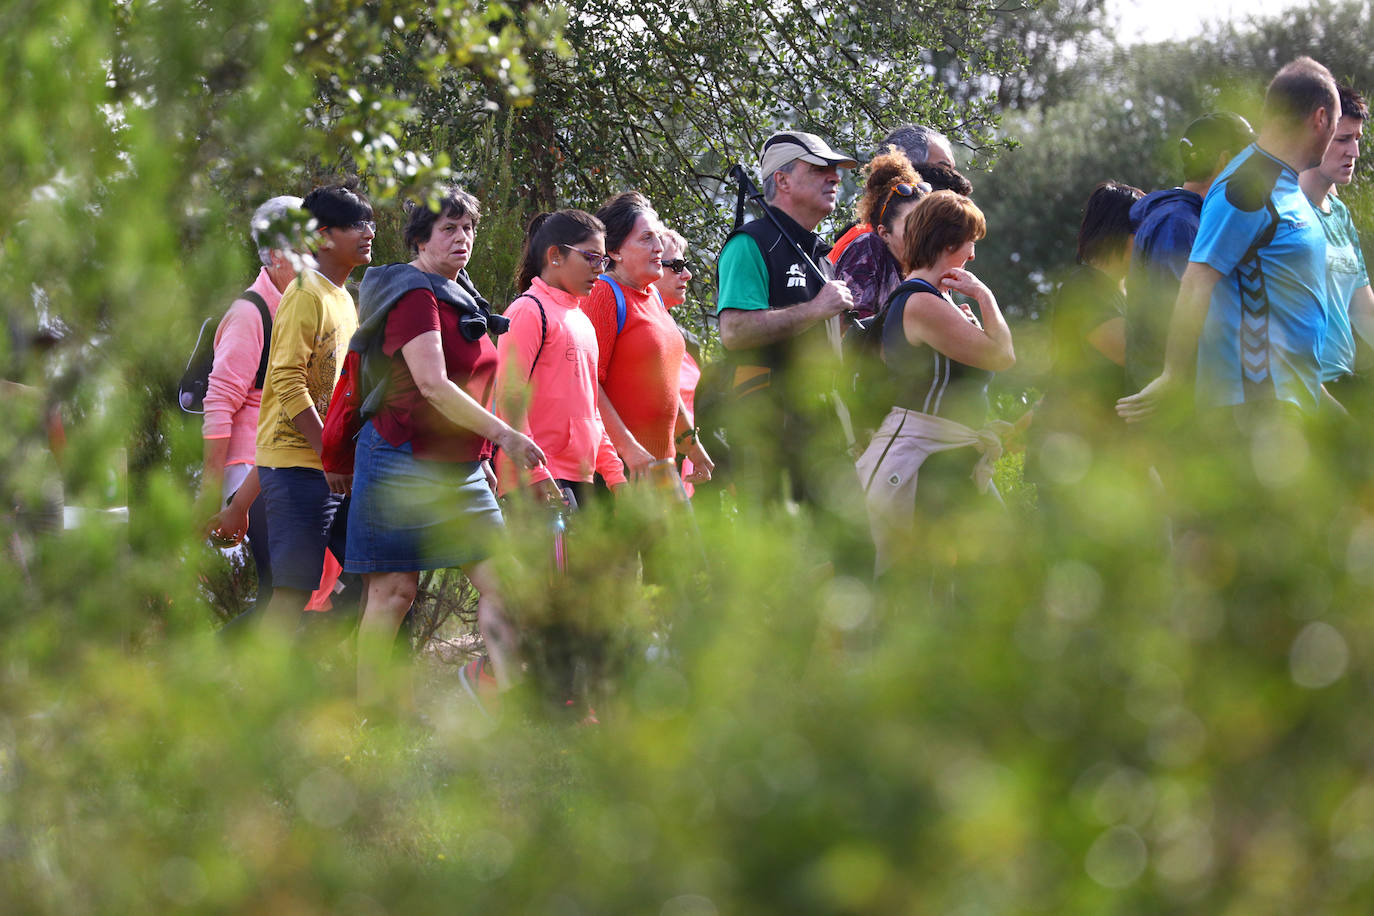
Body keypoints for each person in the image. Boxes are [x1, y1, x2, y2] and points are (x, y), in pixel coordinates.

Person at [345, 186, 545, 706]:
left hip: (460, 469)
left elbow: (475, 383)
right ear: (419, 239)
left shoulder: (464, 297)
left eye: (469, 228)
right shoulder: (414, 295)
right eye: (449, 229)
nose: (463, 238)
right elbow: (433, 384)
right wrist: (503, 435)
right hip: (399, 459)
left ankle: (508, 699)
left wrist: (483, 455)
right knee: (393, 594)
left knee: (506, 583)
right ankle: (369, 720)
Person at [1118, 57, 1340, 423]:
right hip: (1254, 405)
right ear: (1320, 118)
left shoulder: (1283, 184)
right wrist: (1172, 374)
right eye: (1335, 125)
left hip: (1290, 401)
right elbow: (1196, 281)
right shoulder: (1246, 186)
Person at [855, 190, 1014, 575]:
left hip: (948, 455)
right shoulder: (921, 301)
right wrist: (984, 295)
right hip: (921, 459)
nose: (973, 256)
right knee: (921, 589)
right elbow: (1003, 356)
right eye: (969, 243)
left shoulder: (933, 300)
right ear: (946, 243)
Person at [252, 184, 374, 635]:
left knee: (376, 576)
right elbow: (285, 381)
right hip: (299, 468)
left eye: (370, 223)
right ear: (322, 236)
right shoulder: (304, 293)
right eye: (356, 225)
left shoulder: (342, 297)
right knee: (292, 591)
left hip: (334, 466)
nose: (368, 233)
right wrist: (329, 454)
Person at [716, 130, 857, 502]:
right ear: (782, 179)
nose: (835, 177)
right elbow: (733, 331)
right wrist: (815, 309)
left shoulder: (820, 256)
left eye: (836, 170)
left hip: (824, 428)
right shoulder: (750, 244)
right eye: (819, 168)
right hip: (770, 430)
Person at [197, 194, 301, 609]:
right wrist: (211, 490)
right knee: (281, 596)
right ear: (275, 253)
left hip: (289, 463)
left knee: (293, 596)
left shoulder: (303, 306)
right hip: (251, 469)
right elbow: (220, 401)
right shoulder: (250, 313)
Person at [495, 210, 627, 507]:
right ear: (555, 256)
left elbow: (591, 410)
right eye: (591, 258)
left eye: (603, 260)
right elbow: (509, 397)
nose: (599, 269)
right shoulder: (528, 310)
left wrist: (615, 475)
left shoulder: (582, 320)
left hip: (581, 478)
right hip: (535, 482)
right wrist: (538, 475)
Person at [587, 192, 712, 491]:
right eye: (646, 238)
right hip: (622, 470)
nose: (658, 247)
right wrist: (628, 450)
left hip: (663, 465)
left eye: (657, 237)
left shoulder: (653, 295)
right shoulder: (604, 294)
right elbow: (590, 385)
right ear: (615, 251)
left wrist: (692, 445)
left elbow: (665, 384)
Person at [1125, 112, 1255, 391]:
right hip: (1172, 400)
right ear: (1224, 161)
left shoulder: (1183, 218)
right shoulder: (1179, 223)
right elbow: (1176, 314)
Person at [1046, 181, 1145, 420]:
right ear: (1123, 235)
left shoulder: (1122, 291)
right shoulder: (1086, 286)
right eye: (1144, 231)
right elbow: (1132, 354)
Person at [1299, 84, 1371, 403]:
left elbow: (1363, 309)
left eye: (1356, 139)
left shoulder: (1340, 213)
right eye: (1343, 139)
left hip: (1344, 383)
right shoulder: (1283, 214)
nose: (1354, 152)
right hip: (1303, 394)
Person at [829, 124, 958, 264]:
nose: (953, 179)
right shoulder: (868, 242)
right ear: (907, 171)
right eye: (943, 169)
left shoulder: (911, 243)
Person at [834, 150, 931, 321]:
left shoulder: (930, 265)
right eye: (912, 224)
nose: (923, 232)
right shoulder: (868, 247)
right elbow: (850, 329)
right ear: (884, 233)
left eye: (929, 223)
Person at [652, 227, 707, 495]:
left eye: (685, 265)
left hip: (685, 478)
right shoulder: (628, 328)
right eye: (676, 266)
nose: (687, 274)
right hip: (646, 476)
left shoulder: (687, 341)